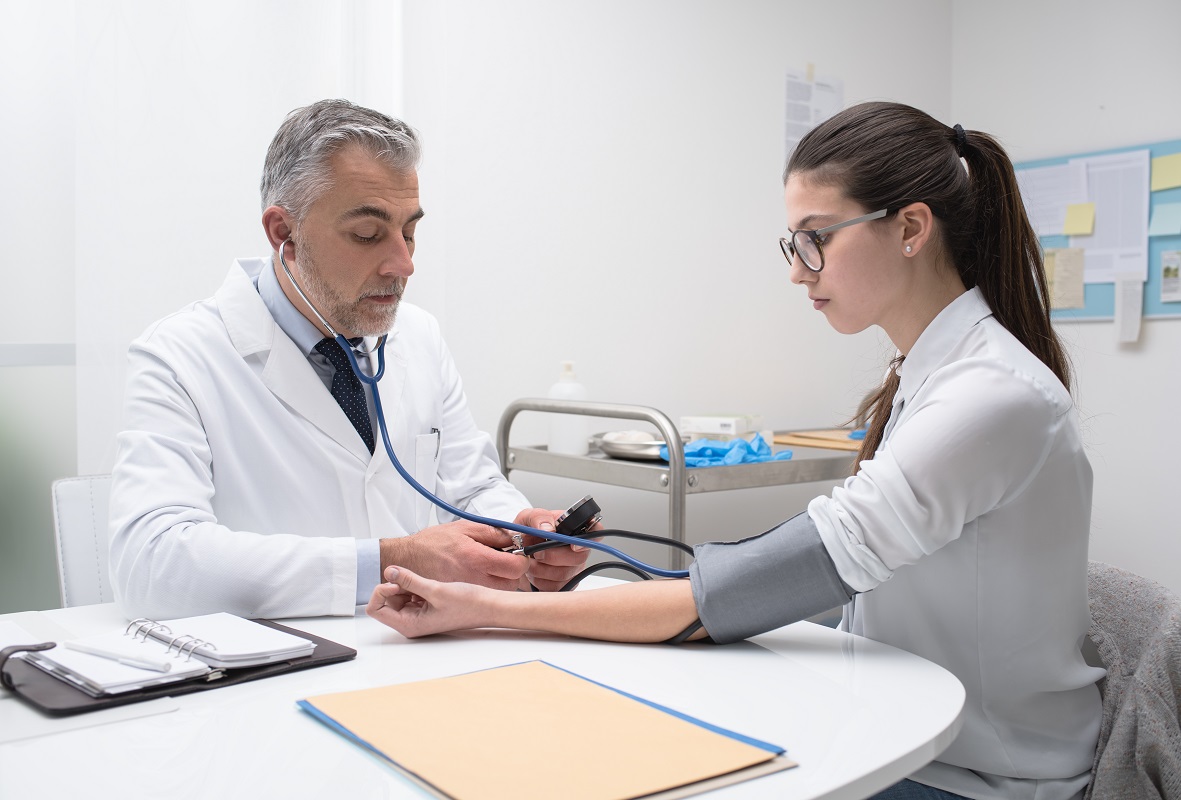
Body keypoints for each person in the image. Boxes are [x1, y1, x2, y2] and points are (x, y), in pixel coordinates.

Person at [365, 102, 1106, 800]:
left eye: (815, 238)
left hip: (981, 775)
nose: (796, 269)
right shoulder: (931, 372)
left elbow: (785, 573)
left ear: (910, 227)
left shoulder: (991, 395)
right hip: (909, 724)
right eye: (794, 243)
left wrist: (488, 608)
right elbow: (783, 585)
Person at [109, 99, 589, 621]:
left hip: (422, 649)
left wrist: (523, 532)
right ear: (282, 232)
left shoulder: (418, 336)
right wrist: (389, 560)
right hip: (276, 665)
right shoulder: (181, 356)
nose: (403, 263)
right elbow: (151, 565)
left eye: (409, 231)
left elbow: (469, 486)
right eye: (367, 234)